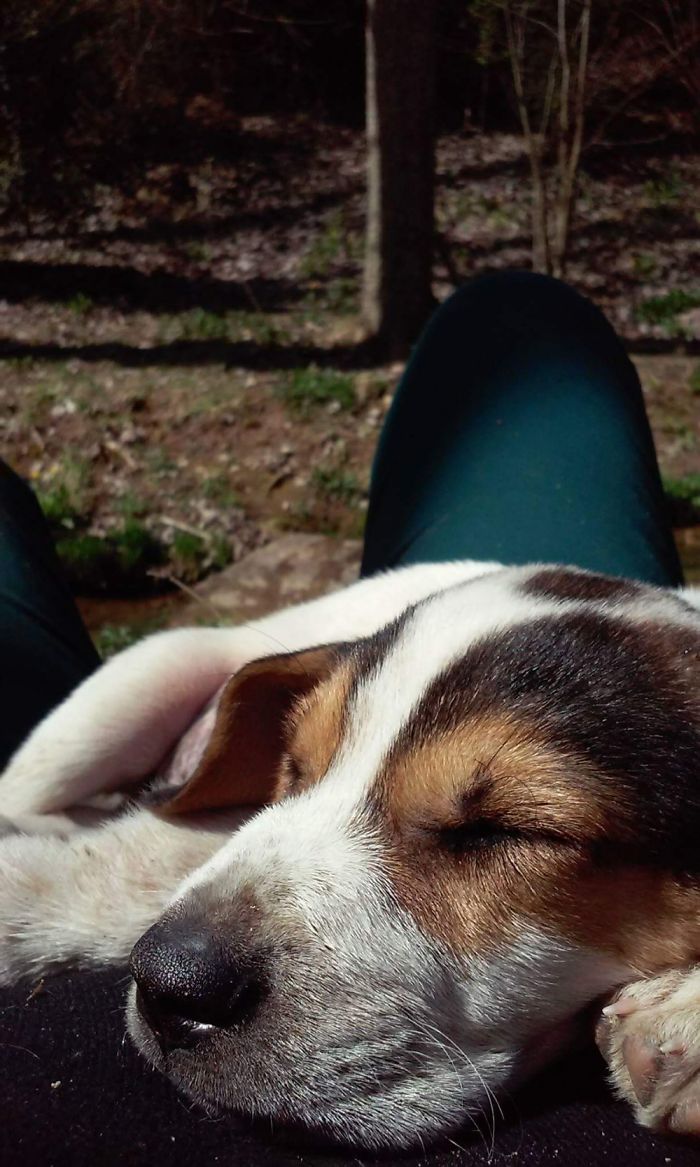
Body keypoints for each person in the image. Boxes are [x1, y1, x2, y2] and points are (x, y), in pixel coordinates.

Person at [0, 272, 692, 1167]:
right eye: (298, 765)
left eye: (495, 829)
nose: (177, 961)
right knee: (521, 318)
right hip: (321, 655)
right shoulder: (303, 688)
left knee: (515, 323)